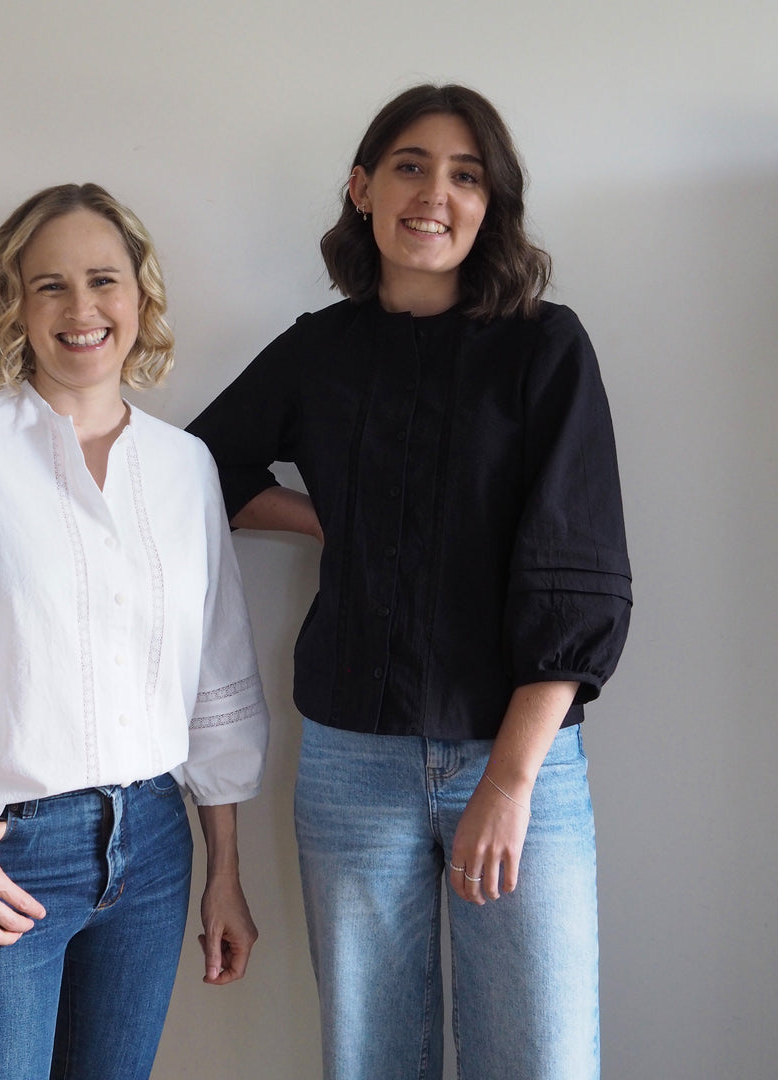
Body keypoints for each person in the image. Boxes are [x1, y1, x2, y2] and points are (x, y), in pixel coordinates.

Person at [188, 85, 631, 1080]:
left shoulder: (546, 348)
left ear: (492, 206)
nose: (435, 192)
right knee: (370, 1058)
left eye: (466, 175)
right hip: (353, 759)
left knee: (540, 1057)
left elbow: (580, 574)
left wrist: (511, 782)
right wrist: (325, 522)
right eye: (410, 165)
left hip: (516, 757)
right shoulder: (319, 350)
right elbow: (200, 467)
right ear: (362, 189)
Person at [0, 183, 269, 1080]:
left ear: (140, 296)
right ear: (14, 307)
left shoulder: (186, 469)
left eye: (103, 279)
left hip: (153, 847)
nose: (81, 309)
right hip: (4, 853)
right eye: (49, 286)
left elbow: (216, 676)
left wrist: (224, 868)